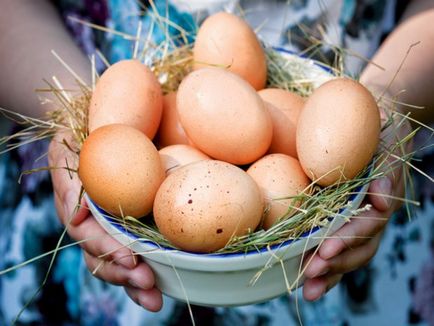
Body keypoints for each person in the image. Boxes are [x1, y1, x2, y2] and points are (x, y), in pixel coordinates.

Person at [0, 0, 433, 324]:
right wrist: (75, 113)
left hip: (360, 243)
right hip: (103, 252)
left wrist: (386, 101)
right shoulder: (145, 141)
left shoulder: (282, 135)